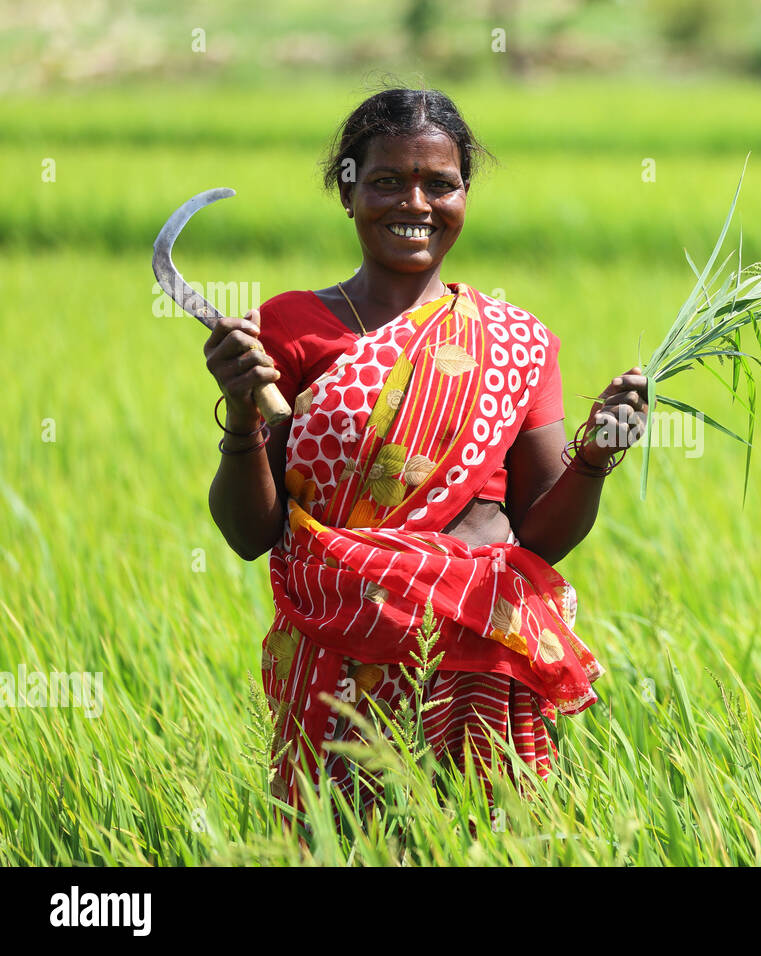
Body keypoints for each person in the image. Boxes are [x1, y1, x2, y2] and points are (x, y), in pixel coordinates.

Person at [204, 87, 648, 828]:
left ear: (464, 194)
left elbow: (541, 538)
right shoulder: (288, 328)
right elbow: (250, 534)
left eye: (439, 183)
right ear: (347, 191)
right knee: (336, 840)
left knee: (482, 840)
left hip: (480, 644)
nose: (415, 203)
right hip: (340, 646)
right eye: (386, 181)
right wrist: (243, 411)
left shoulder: (516, 342)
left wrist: (596, 457)